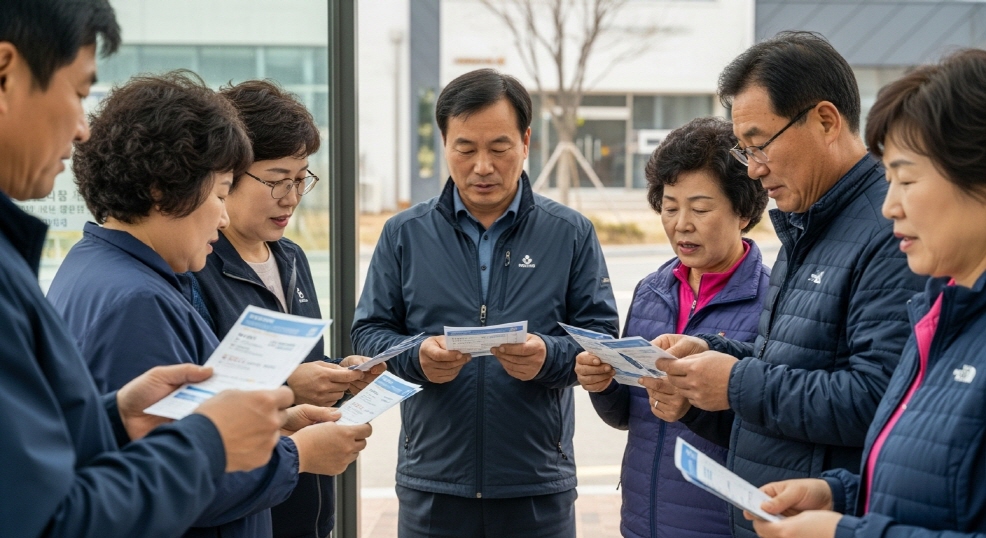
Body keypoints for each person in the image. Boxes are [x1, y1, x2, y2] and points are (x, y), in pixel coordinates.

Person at [0, 2, 298, 537]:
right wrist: (227, 445)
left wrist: (114, 419)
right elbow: (51, 517)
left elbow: (33, 459)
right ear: (5, 73)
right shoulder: (134, 299)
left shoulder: (105, 269)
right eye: (77, 92)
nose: (81, 129)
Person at [46, 71, 372, 538]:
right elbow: (174, 482)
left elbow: (178, 443)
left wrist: (278, 427)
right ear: (164, 190)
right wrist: (296, 454)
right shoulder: (137, 301)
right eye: (220, 192)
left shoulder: (106, 269)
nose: (222, 217)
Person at [652, 31, 928, 538]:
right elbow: (790, 361)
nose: (754, 170)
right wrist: (708, 358)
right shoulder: (807, 222)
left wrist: (734, 383)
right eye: (744, 151)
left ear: (825, 120)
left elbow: (877, 397)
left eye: (760, 145)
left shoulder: (891, 233)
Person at [351, 68, 619, 537]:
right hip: (433, 482)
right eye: (466, 148)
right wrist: (417, 357)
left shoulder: (570, 233)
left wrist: (547, 356)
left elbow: (600, 339)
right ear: (443, 143)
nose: (482, 166)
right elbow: (369, 333)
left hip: (536, 483)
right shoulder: (403, 235)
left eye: (498, 148)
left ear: (526, 141)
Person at [746, 47, 986, 538]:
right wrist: (841, 493)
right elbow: (939, 482)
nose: (890, 206)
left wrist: (844, 533)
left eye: (907, 178)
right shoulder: (944, 315)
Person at [194, 79, 385, 538]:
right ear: (226, 174)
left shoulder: (291, 257)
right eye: (277, 181)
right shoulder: (196, 265)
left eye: (302, 180)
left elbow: (303, 366)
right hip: (244, 511)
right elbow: (197, 397)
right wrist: (289, 385)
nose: (292, 197)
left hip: (308, 504)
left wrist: (340, 377)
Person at [575, 117, 770, 538]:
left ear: (744, 211)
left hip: (723, 526)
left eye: (700, 208)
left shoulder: (773, 300)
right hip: (642, 521)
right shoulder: (651, 291)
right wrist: (601, 383)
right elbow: (629, 416)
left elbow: (775, 425)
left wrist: (695, 404)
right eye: (669, 206)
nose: (682, 223)